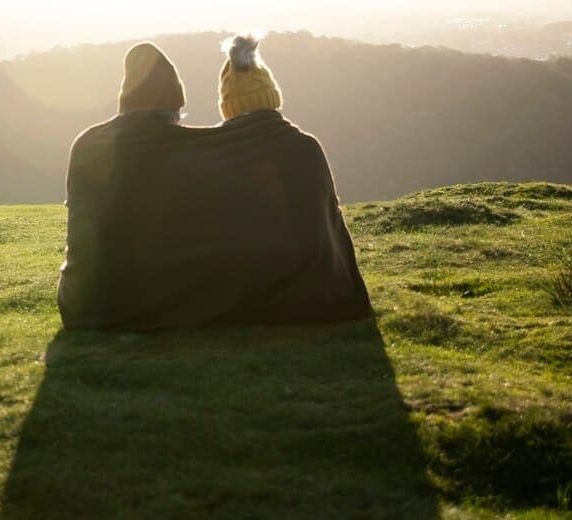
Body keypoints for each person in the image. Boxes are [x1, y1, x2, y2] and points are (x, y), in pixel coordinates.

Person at [58, 37, 371, 331]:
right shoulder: (301, 150)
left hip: (85, 306)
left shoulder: (87, 145)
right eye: (178, 115)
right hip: (303, 301)